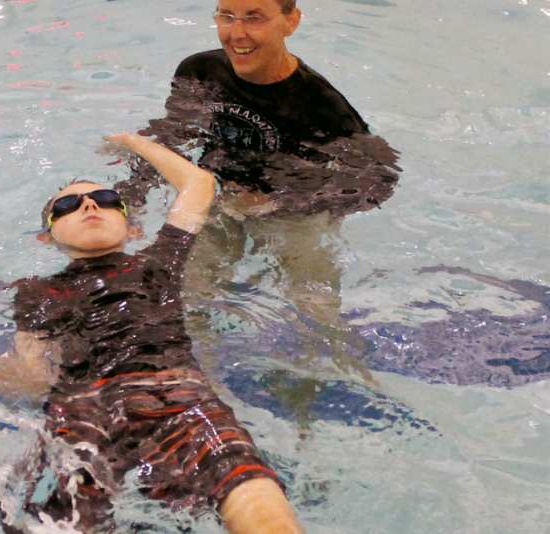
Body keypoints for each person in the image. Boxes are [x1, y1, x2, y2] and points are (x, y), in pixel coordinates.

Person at [0, 133, 304, 534]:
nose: (89, 204)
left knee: (260, 502)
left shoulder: (159, 264)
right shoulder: (36, 294)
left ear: (134, 228)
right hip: (85, 411)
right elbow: (36, 378)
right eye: (68, 205)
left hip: (177, 396)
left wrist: (134, 142)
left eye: (107, 199)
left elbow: (199, 185)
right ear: (47, 236)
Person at [115, 0, 400, 383]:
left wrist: (281, 200)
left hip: (293, 210)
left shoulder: (323, 106)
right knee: (187, 297)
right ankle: (201, 387)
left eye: (254, 17)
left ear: (291, 22)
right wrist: (130, 196)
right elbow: (173, 135)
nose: (237, 33)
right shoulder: (201, 71)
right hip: (219, 196)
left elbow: (379, 179)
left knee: (314, 310)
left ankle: (328, 382)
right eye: (226, 16)